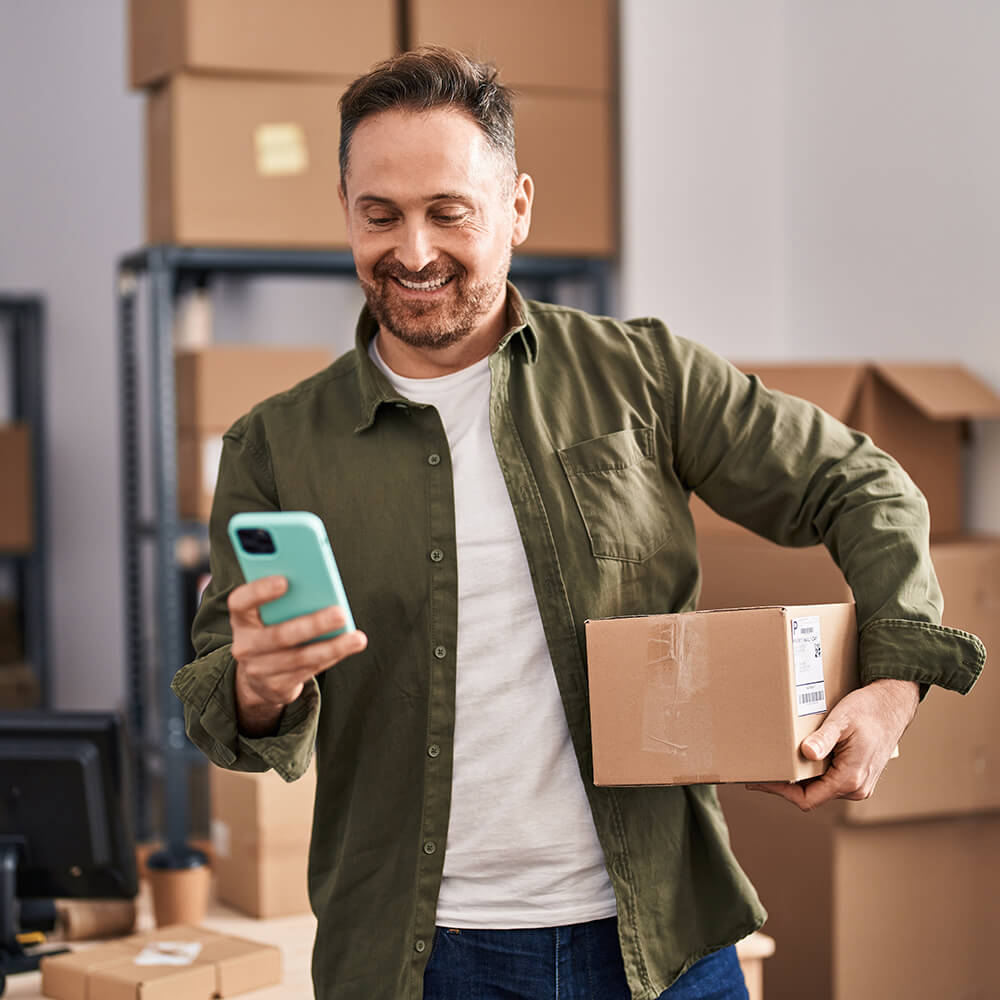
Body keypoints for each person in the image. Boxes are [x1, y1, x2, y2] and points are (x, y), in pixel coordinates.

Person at [171, 46, 984, 1000]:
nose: (415, 251)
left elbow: (863, 483)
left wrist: (893, 687)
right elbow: (226, 696)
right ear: (345, 210)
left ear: (516, 208)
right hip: (417, 957)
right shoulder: (278, 445)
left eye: (449, 212)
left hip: (659, 941)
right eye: (380, 215)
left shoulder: (641, 375)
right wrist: (261, 688)